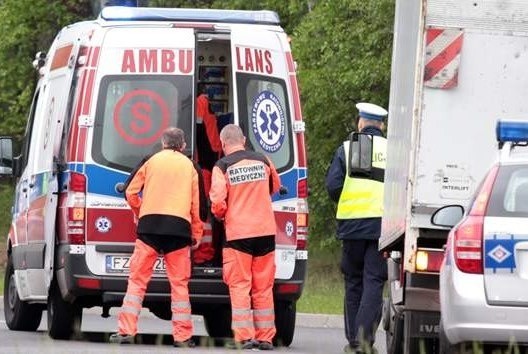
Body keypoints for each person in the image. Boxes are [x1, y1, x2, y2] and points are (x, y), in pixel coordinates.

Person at [109, 127, 203, 348]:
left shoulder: (151, 161)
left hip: (149, 227)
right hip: (179, 229)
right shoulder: (190, 166)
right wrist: (196, 232)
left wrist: (140, 212)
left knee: (137, 281)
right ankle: (182, 337)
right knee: (179, 285)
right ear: (183, 146)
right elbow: (196, 205)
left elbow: (130, 192)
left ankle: (126, 332)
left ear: (162, 143)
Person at [209, 124, 281, 350]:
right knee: (263, 286)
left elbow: (218, 203)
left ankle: (244, 336)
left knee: (240, 285)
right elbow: (275, 187)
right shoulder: (263, 160)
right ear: (244, 139)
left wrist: (223, 215)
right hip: (265, 231)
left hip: (238, 233)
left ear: (222, 144)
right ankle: (266, 337)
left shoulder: (222, 166)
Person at [325, 102, 389, 353]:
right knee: (373, 281)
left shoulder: (347, 148)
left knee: (353, 282)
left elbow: (332, 187)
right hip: (382, 229)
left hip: (352, 227)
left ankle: (354, 341)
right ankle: (363, 342)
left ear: (360, 123)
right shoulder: (394, 149)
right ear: (381, 125)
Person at [193, 90, 223, 265]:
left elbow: (197, 131)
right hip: (209, 164)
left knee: (201, 213)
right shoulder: (205, 103)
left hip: (203, 165)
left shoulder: (199, 103)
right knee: (205, 215)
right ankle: (206, 253)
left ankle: (202, 253)